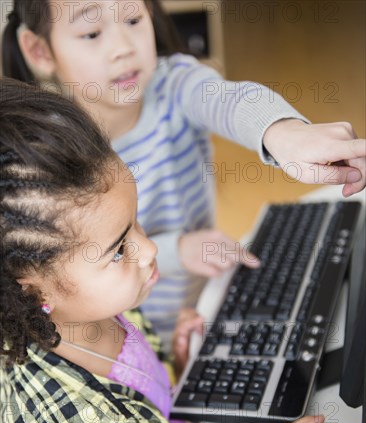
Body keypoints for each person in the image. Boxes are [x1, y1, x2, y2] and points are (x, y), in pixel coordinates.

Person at [1, 77, 366, 423]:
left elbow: (137, 393)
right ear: (31, 290)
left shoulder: (88, 314)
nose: (150, 249)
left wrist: (172, 363)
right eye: (118, 249)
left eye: (136, 222)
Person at [2, 0, 366, 354]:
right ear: (39, 51)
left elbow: (229, 100)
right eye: (92, 33)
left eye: (132, 20)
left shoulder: (172, 82)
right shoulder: (51, 156)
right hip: (126, 321)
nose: (123, 48)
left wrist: (284, 134)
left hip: (200, 288)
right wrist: (178, 250)